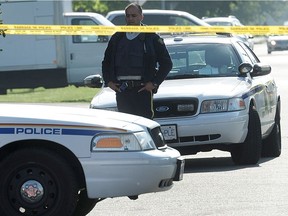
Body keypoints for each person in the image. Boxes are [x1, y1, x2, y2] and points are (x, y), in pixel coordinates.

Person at [102, 3, 172, 119]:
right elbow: (106, 62)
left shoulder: (151, 37)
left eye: (134, 16)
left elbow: (167, 64)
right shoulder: (117, 37)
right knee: (125, 125)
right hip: (122, 90)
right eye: (128, 16)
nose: (130, 19)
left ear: (141, 17)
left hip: (142, 90)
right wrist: (108, 81)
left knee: (145, 124)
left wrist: (154, 83)